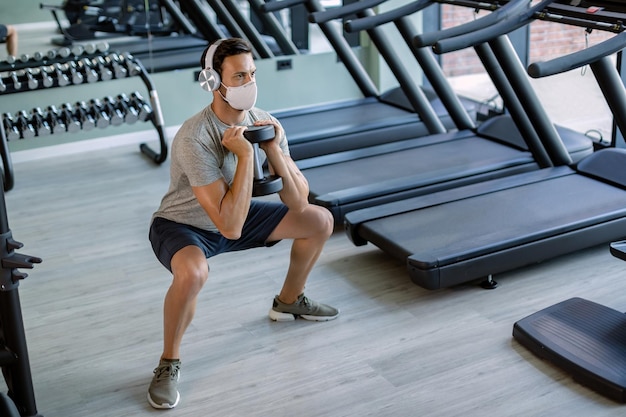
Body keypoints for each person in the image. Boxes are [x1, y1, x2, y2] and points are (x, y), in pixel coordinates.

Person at [146, 37, 338, 409]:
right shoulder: (194, 137)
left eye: (252, 74)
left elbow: (298, 201)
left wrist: (271, 149)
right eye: (239, 76)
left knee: (319, 221)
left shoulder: (264, 120)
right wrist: (247, 154)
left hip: (235, 212)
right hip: (185, 224)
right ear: (213, 82)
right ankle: (168, 361)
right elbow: (228, 226)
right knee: (193, 273)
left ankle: (289, 302)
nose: (249, 83)